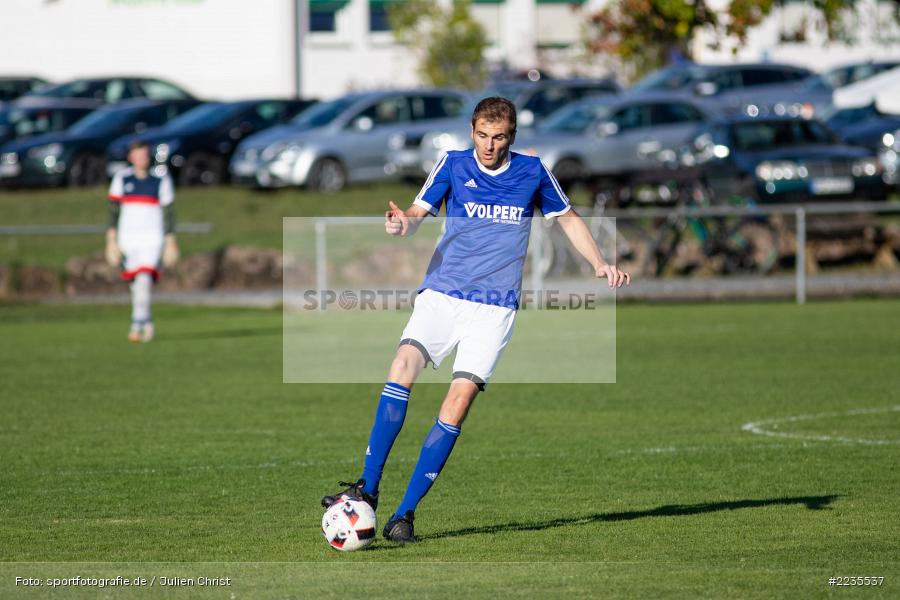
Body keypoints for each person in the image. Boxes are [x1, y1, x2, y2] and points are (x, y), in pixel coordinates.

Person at [321, 97, 630, 544]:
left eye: (498, 137)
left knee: (457, 404)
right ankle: (367, 487)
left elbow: (568, 218)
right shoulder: (452, 164)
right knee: (401, 369)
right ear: (472, 132)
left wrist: (600, 263)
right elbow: (415, 214)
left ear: (511, 137)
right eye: (482, 136)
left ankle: (404, 515)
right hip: (442, 296)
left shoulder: (532, 173)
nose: (489, 146)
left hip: (494, 308)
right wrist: (400, 224)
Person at [104, 140, 179, 342]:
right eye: (137, 155)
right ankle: (147, 322)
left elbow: (168, 213)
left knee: (144, 280)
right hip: (128, 237)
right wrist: (111, 240)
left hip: (152, 237)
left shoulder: (160, 180)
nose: (141, 159)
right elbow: (113, 211)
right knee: (136, 285)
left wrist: (170, 240)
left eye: (144, 155)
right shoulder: (122, 178)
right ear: (131, 157)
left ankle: (136, 325)